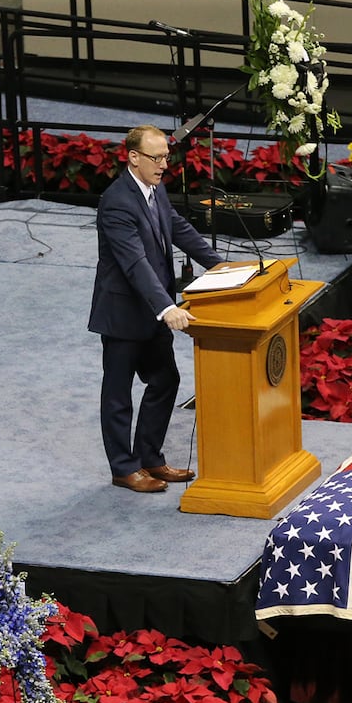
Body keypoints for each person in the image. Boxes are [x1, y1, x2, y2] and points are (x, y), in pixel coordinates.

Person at [89, 124, 223, 494]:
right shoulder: (117, 202)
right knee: (118, 393)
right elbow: (134, 263)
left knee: (165, 380)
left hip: (153, 311)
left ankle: (149, 457)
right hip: (123, 314)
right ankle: (123, 468)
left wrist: (220, 266)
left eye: (167, 156)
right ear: (133, 157)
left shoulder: (155, 189)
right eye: (157, 157)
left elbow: (177, 228)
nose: (164, 164)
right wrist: (167, 307)